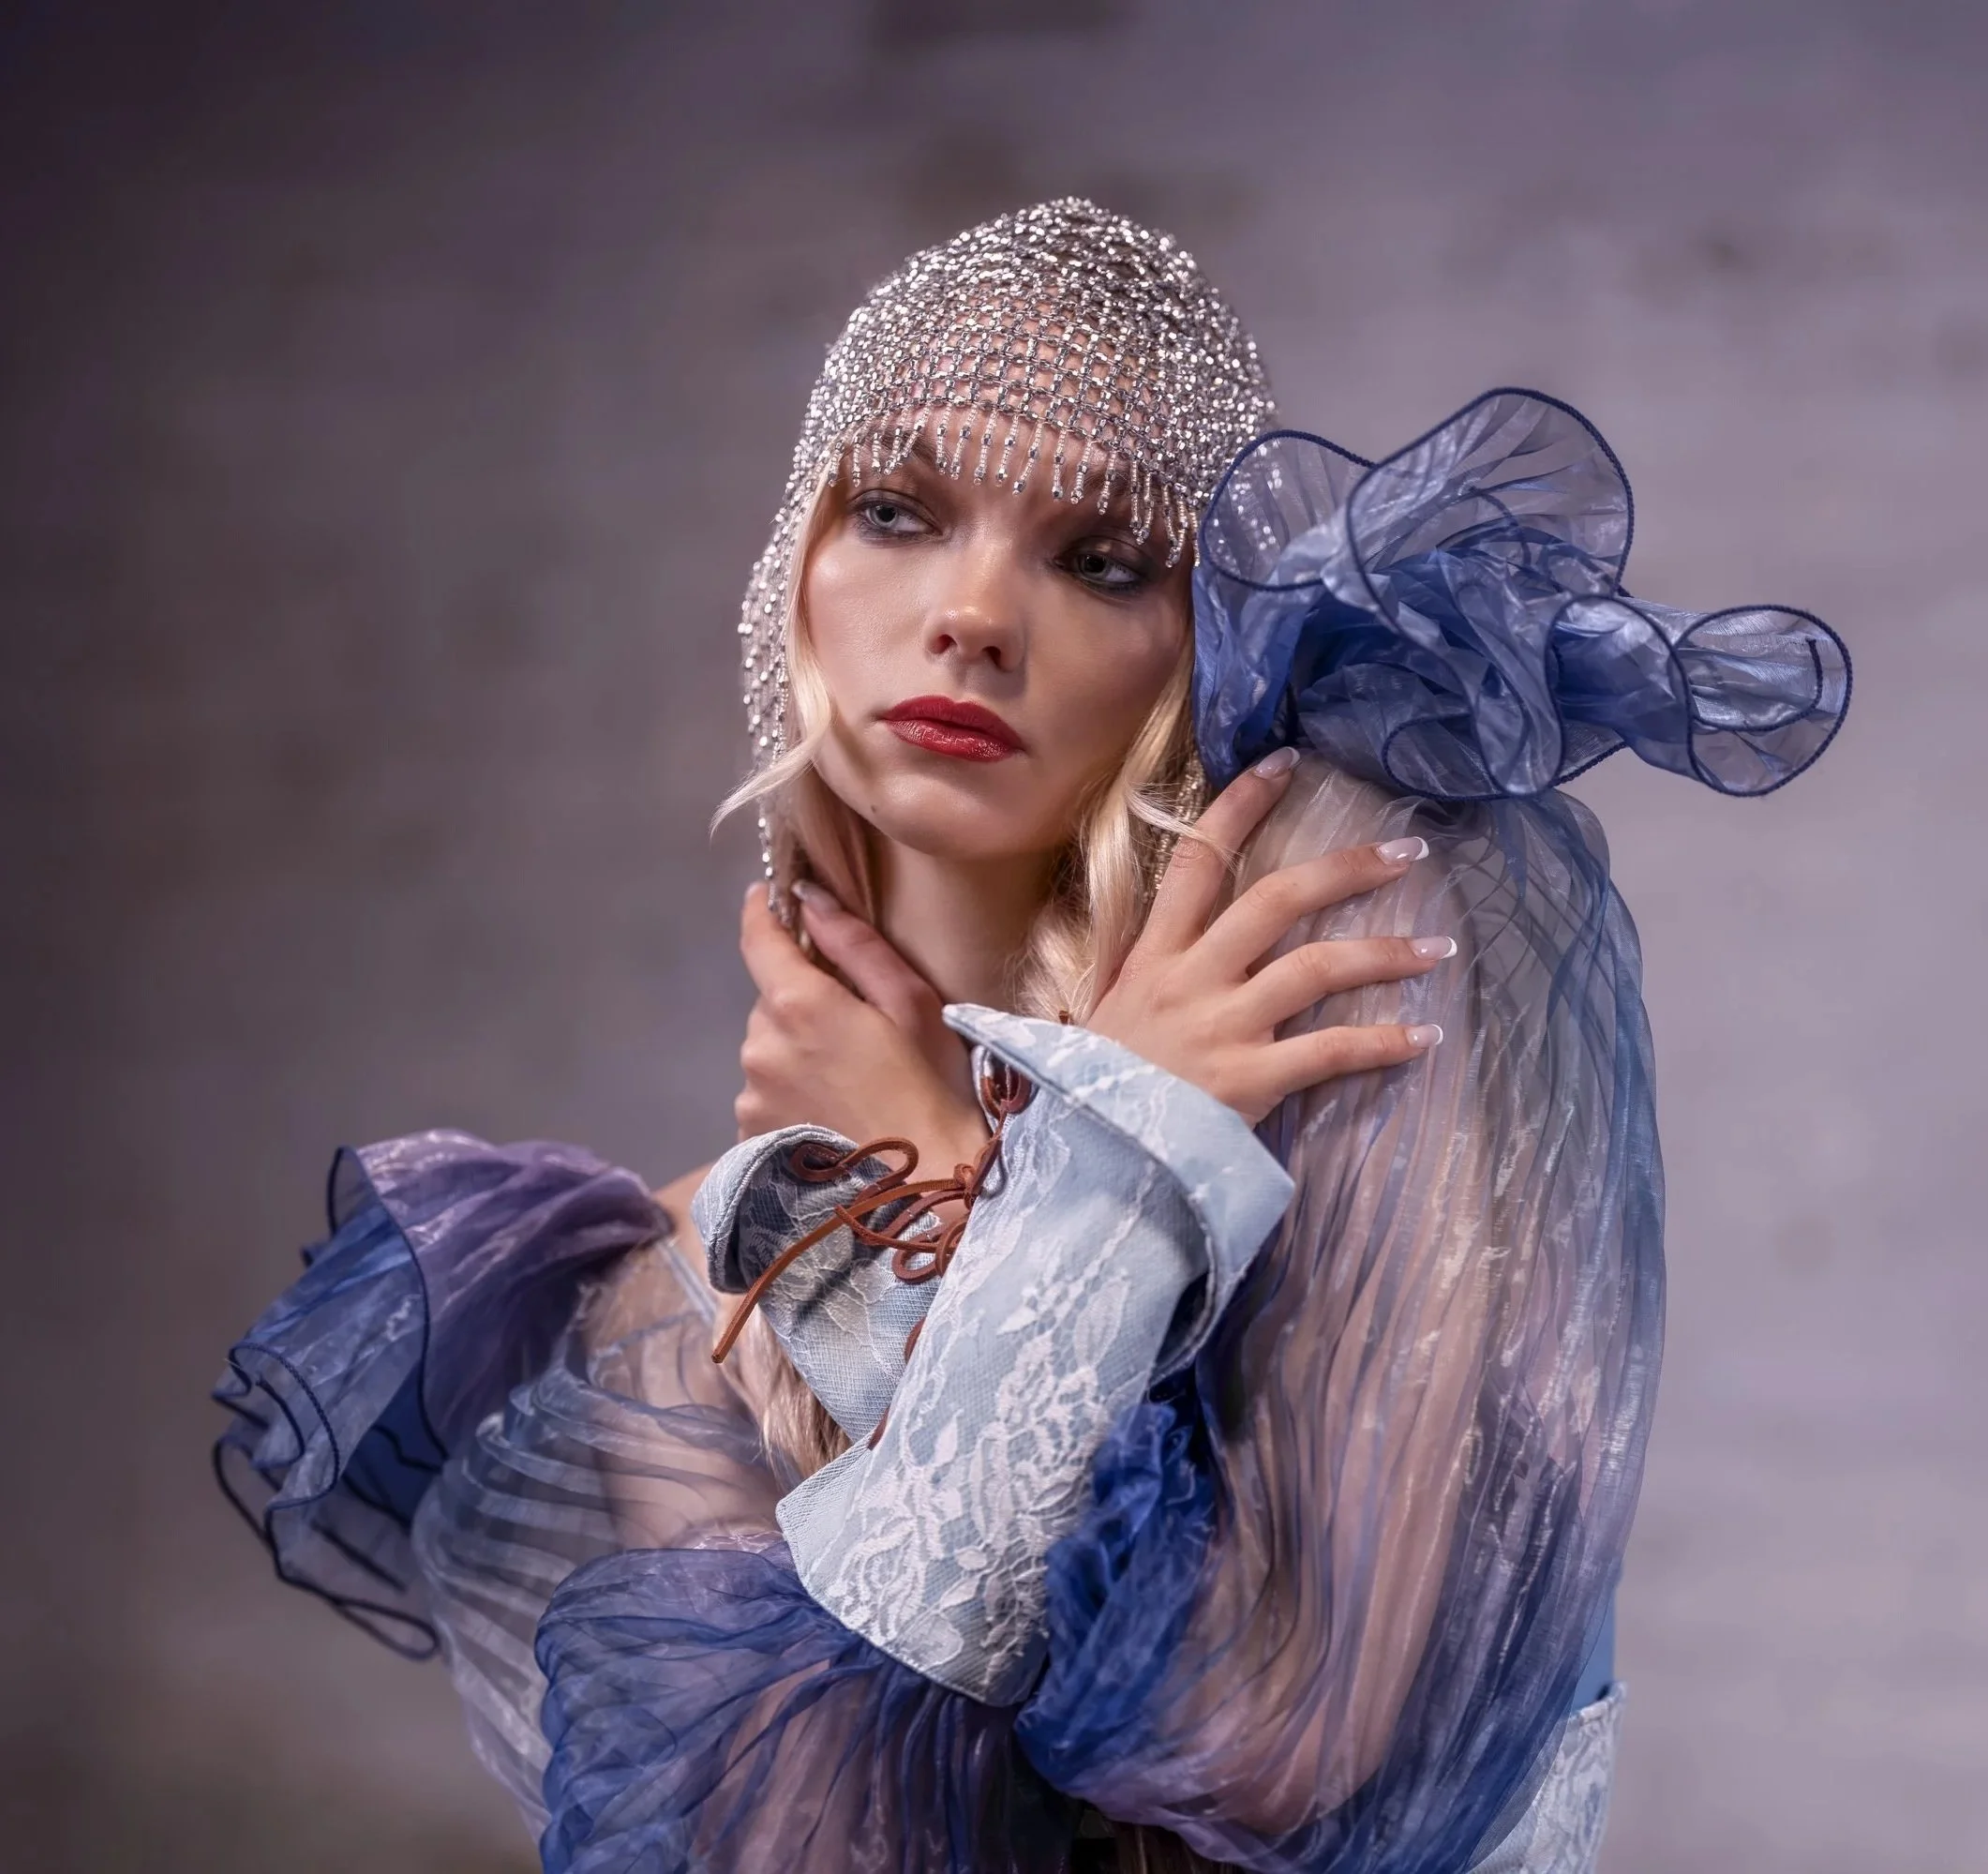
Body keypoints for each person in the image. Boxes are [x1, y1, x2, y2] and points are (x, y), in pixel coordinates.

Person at [213, 200, 1849, 1873]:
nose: (975, 613)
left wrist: (1018, 1185)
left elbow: (1286, 1740)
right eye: (901, 510)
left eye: (1103, 556)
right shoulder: (709, 1262)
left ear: (1192, 642)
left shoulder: (1336, 925)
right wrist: (928, 1208)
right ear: (797, 574)